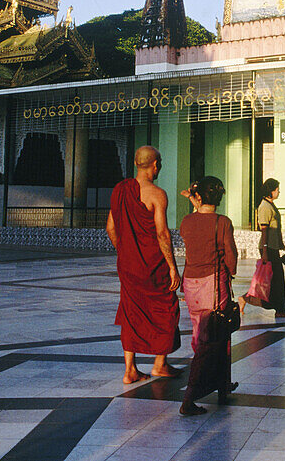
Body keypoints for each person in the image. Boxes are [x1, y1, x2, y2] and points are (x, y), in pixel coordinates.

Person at [106, 146, 182, 384]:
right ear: (155, 165)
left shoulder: (120, 190)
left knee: (131, 313)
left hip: (129, 266)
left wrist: (125, 251)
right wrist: (172, 266)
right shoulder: (157, 194)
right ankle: (160, 364)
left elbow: (110, 227)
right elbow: (162, 234)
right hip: (153, 265)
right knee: (167, 309)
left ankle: (130, 370)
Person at [179, 176, 238, 416]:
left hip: (190, 284)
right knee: (215, 336)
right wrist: (231, 272)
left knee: (203, 332)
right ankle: (190, 396)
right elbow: (231, 255)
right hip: (212, 285)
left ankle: (222, 385)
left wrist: (195, 202)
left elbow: (196, 223)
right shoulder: (222, 222)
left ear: (199, 196)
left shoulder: (186, 221)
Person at [241, 179, 285, 319]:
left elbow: (275, 227)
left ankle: (280, 309)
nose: (279, 192)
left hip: (273, 247)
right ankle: (247, 299)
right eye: (277, 189)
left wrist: (280, 242)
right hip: (268, 248)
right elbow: (264, 230)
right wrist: (264, 250)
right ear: (271, 190)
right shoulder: (264, 206)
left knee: (276, 281)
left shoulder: (271, 205)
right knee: (273, 282)